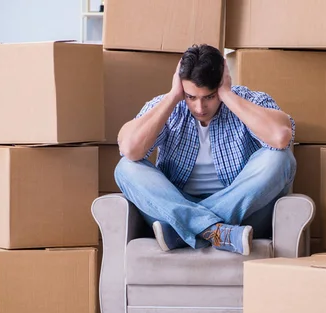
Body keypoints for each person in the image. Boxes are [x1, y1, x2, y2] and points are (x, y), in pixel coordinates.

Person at [114, 44, 296, 256]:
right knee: (126, 167)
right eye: (191, 97)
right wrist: (174, 96)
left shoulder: (247, 100)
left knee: (281, 159)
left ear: (222, 81)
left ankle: (184, 231)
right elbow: (129, 148)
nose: (200, 108)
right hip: (177, 206)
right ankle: (214, 231)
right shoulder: (169, 106)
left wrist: (227, 95)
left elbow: (280, 137)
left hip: (240, 212)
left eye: (209, 97)